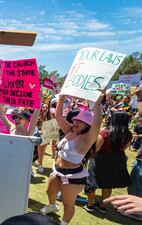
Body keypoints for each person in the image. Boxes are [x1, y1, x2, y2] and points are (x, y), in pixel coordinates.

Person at [40, 94, 103, 225]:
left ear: (88, 125)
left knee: (68, 203)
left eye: (80, 121)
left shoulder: (87, 139)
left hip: (73, 176)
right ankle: (52, 206)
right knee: (49, 192)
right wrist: (61, 99)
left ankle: (64, 222)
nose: (75, 122)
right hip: (56, 170)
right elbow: (58, 117)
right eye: (75, 120)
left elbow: (97, 124)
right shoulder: (69, 131)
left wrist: (97, 103)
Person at [85, 111, 132, 213]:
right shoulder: (128, 134)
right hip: (117, 160)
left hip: (100, 160)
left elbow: (96, 149)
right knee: (108, 184)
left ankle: (89, 204)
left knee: (92, 182)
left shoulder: (104, 133)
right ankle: (102, 206)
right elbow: (124, 148)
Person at [37, 103, 53, 173]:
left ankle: (40, 163)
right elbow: (34, 126)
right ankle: (40, 165)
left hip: (46, 136)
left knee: (43, 151)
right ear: (41, 108)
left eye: (46, 107)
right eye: (43, 107)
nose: (45, 109)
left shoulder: (49, 117)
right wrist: (39, 131)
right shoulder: (38, 116)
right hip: (39, 136)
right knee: (40, 151)